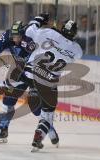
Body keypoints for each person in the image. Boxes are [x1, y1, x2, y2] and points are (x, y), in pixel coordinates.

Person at [0, 21, 59, 146]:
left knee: (35, 106)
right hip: (20, 72)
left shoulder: (31, 41)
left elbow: (26, 58)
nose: (15, 39)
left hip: (35, 74)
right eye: (13, 36)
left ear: (23, 34)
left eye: (18, 37)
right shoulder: (9, 35)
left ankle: (48, 128)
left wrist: (5, 83)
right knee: (8, 100)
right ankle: (2, 129)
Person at [21, 14, 83, 152]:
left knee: (35, 105)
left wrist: (38, 19)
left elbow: (28, 31)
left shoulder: (48, 32)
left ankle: (48, 132)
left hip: (31, 74)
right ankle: (39, 136)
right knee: (47, 115)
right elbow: (71, 48)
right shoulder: (77, 50)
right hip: (49, 82)